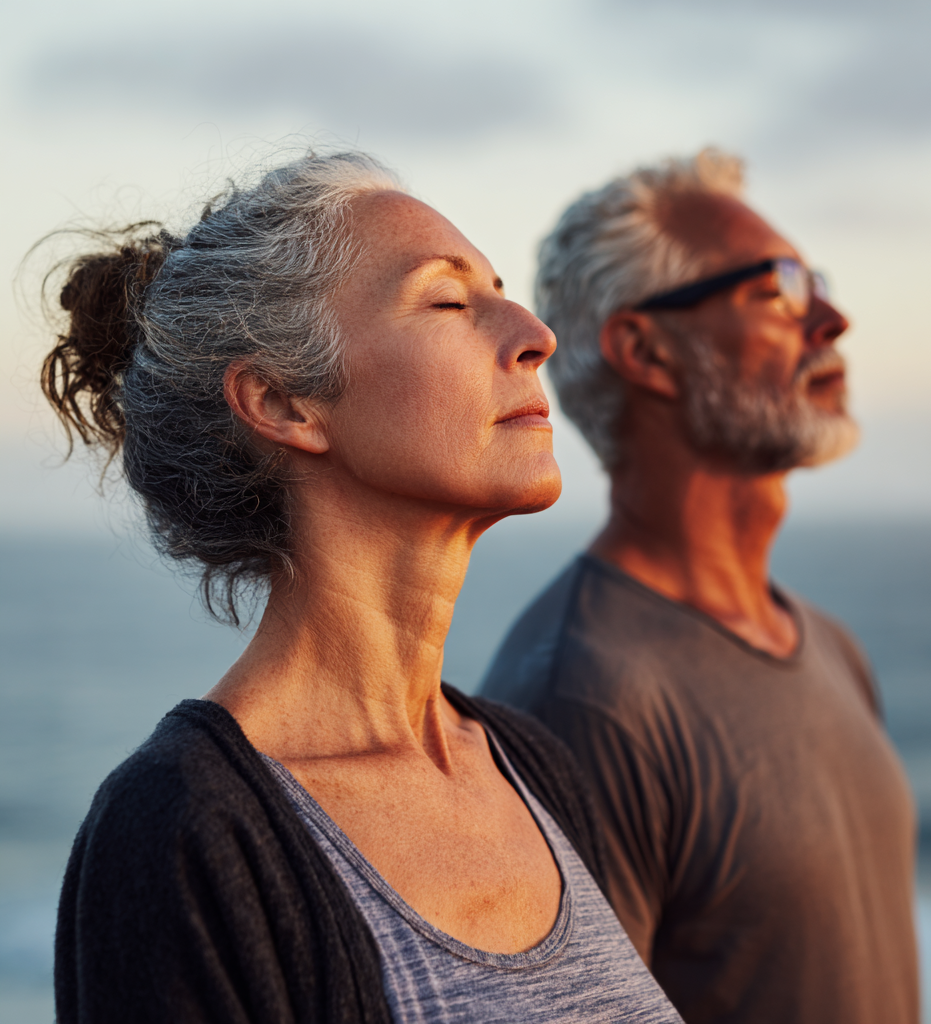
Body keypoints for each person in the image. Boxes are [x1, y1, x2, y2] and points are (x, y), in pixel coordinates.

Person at [43, 152, 684, 1024]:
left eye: (501, 291)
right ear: (284, 402)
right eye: (450, 301)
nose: (535, 333)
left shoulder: (531, 769)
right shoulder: (183, 830)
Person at [481, 150, 919, 1024]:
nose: (831, 319)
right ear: (647, 350)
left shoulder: (830, 647)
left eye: (815, 282)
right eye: (778, 290)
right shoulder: (581, 697)